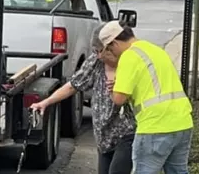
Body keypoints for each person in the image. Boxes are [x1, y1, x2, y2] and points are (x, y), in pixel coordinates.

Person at [30, 23, 136, 174]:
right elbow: (73, 85)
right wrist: (45, 102)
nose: (99, 55)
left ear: (113, 47)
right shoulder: (96, 62)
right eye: (95, 51)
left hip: (127, 133)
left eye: (102, 51)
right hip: (104, 137)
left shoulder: (131, 61)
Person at [98, 20, 194, 174]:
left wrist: (113, 88)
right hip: (183, 123)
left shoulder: (128, 57)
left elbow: (118, 99)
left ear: (114, 43)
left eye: (109, 49)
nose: (112, 54)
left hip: (155, 127)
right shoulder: (155, 50)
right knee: (178, 171)